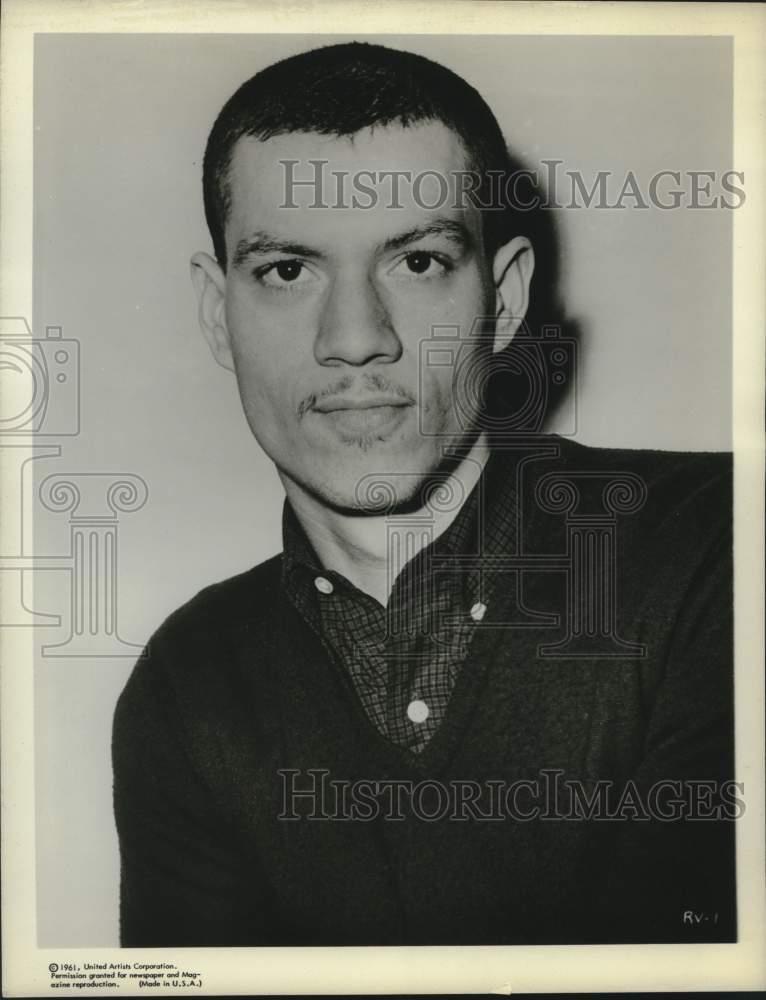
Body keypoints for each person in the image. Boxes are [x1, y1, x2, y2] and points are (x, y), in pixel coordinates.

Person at [112, 41, 735, 946]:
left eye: (418, 263)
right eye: (288, 271)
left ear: (506, 298)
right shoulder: (188, 687)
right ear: (219, 312)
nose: (355, 338)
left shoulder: (720, 543)